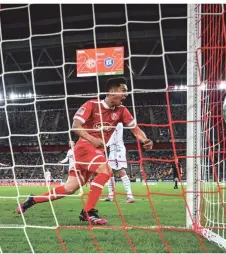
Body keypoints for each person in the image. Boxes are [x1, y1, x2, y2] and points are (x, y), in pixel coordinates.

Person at [16, 77, 153, 225]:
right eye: (123, 91)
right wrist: (92, 139)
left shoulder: (122, 111)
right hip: (84, 148)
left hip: (96, 152)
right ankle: (88, 212)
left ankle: (31, 200)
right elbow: (76, 126)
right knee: (106, 170)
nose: (126, 95)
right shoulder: (92, 104)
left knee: (69, 189)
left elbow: (135, 129)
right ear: (112, 91)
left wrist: (145, 140)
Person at [104, 123, 134, 203]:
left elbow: (109, 128)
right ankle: (111, 195)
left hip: (118, 149)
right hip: (112, 149)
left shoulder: (117, 122)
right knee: (110, 172)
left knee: (121, 171)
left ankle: (130, 196)